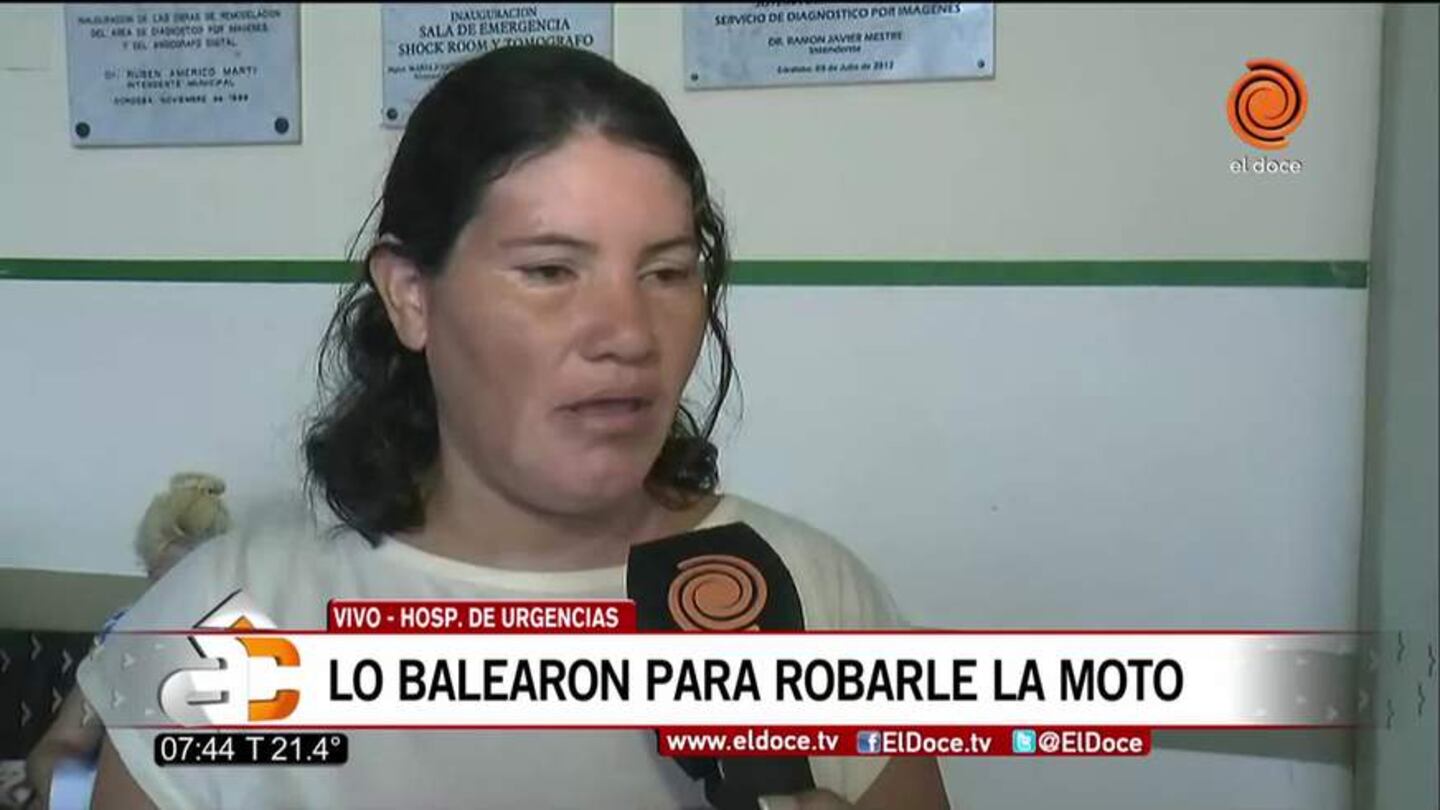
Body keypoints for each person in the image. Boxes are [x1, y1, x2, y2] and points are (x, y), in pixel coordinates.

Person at [78, 46, 950, 809]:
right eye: (550, 271)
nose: (628, 335)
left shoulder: (813, 594)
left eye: (666, 272)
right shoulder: (227, 618)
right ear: (410, 296)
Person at [23, 474, 229, 810]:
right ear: (149, 575)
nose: (172, 602)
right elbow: (56, 748)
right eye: (162, 585)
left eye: (188, 585)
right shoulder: (126, 633)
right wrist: (81, 797)